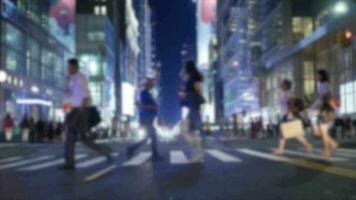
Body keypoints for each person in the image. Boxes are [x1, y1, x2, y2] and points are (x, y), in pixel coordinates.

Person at [59, 58, 113, 170]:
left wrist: (79, 112)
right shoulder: (72, 79)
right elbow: (69, 95)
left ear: (74, 67)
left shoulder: (80, 78)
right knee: (79, 137)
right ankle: (104, 151)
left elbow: (85, 97)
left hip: (81, 110)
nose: (68, 69)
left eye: (69, 67)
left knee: (74, 136)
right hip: (74, 109)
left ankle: (70, 162)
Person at [126, 78, 163, 161]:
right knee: (153, 136)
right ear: (147, 85)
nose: (152, 85)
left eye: (152, 84)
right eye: (151, 84)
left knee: (147, 138)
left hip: (148, 118)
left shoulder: (147, 93)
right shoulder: (144, 93)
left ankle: (131, 149)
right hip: (145, 118)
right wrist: (154, 107)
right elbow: (142, 105)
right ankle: (154, 155)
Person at [273, 79, 312, 156]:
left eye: (283, 84)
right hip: (286, 114)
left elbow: (292, 102)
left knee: (282, 132)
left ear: (286, 85)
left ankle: (281, 149)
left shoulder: (289, 93)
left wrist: (290, 113)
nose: (281, 85)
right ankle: (308, 145)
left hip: (288, 114)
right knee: (294, 133)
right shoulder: (285, 93)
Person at [179, 60, 205, 163]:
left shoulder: (194, 77)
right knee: (192, 131)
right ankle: (198, 155)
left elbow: (198, 89)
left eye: (185, 66)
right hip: (192, 107)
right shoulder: (190, 77)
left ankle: (197, 153)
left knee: (185, 128)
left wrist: (197, 99)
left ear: (188, 67)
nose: (184, 68)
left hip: (194, 107)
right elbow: (194, 91)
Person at [311, 70, 338, 157]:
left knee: (323, 132)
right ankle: (330, 150)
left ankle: (329, 148)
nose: (316, 77)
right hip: (327, 109)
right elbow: (327, 96)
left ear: (322, 76)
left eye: (317, 75)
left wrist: (318, 105)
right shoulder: (325, 84)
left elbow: (327, 95)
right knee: (324, 131)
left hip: (324, 110)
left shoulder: (323, 85)